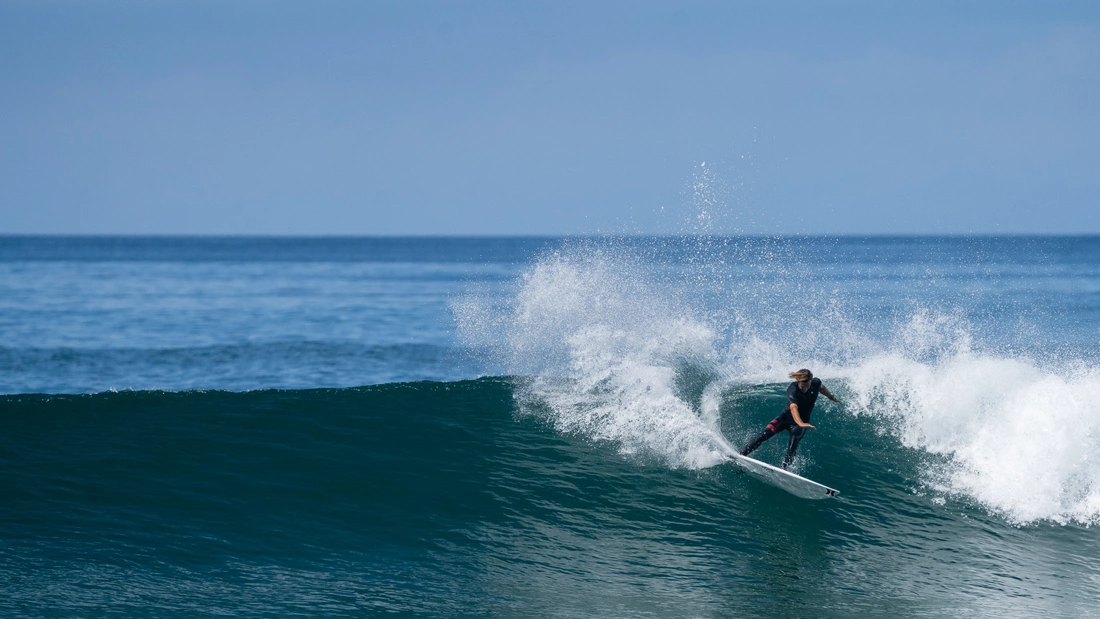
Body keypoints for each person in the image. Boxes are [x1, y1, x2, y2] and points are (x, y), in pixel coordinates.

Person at [738, 369, 840, 469]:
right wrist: (800, 423)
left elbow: (821, 388)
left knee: (792, 447)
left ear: (811, 380)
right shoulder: (792, 389)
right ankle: (741, 455)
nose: (803, 388)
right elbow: (793, 407)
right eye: (801, 385)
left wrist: (831, 397)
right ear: (798, 381)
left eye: (806, 385)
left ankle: (784, 469)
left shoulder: (816, 382)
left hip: (799, 424)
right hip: (785, 418)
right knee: (763, 435)